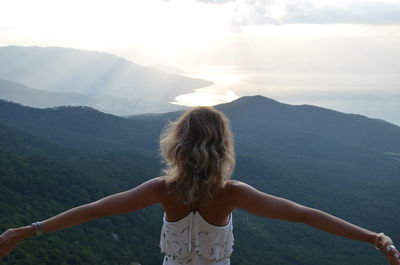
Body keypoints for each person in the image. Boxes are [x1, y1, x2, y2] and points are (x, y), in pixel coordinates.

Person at [0, 106, 399, 265]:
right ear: (222, 147)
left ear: (177, 144)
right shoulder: (232, 194)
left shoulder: (161, 190)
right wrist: (372, 238)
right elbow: (305, 216)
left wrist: (27, 231)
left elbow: (92, 211)